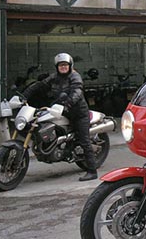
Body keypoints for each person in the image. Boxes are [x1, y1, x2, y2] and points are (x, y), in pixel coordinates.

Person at [22, 53, 98, 181]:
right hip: (61, 110)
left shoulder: (75, 76)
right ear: (57, 67)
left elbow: (77, 91)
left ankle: (92, 171)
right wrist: (24, 95)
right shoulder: (55, 77)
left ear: (70, 65)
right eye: (61, 65)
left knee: (84, 140)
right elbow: (40, 85)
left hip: (78, 113)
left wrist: (68, 103)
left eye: (65, 65)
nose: (63, 67)